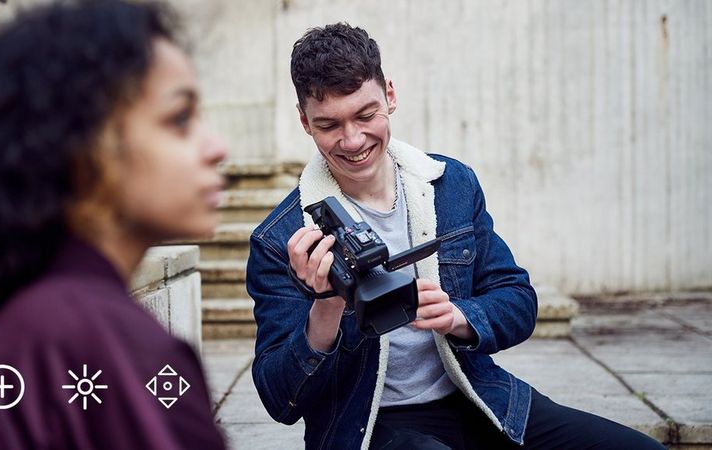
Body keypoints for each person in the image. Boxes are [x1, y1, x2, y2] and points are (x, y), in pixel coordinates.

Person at [246, 23, 665, 450]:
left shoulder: (451, 185)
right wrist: (327, 305)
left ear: (390, 94)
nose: (353, 140)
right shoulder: (280, 238)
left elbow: (518, 300)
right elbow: (281, 400)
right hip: (369, 428)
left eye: (366, 115)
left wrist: (459, 317)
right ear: (305, 122)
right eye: (329, 125)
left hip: (479, 396)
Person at [0, 1, 228, 449]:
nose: (217, 147)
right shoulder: (97, 340)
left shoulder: (27, 317)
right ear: (86, 149)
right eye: (179, 119)